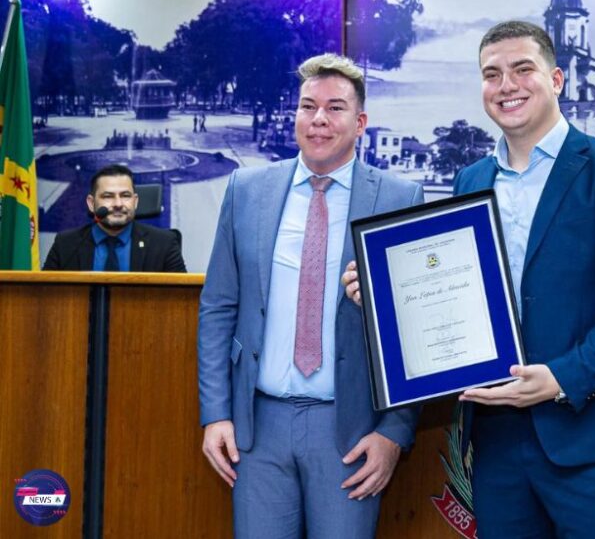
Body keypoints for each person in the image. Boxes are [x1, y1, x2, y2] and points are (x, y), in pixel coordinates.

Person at [343, 21, 595, 538]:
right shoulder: (471, 180)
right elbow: (458, 295)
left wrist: (564, 377)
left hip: (594, 440)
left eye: (523, 70)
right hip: (497, 442)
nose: (507, 86)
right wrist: (384, 296)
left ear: (558, 79)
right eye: (491, 74)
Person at [198, 53, 423, 539]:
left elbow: (413, 331)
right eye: (307, 106)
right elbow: (219, 308)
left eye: (335, 108)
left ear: (360, 122)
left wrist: (393, 433)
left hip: (349, 431)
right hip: (256, 429)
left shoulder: (399, 198)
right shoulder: (247, 189)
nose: (319, 119)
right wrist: (215, 414)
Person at [43, 164, 186, 272]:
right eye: (108, 196)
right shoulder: (66, 245)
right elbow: (45, 299)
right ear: (91, 204)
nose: (118, 204)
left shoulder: (164, 244)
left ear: (135, 202)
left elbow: (182, 302)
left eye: (125, 196)